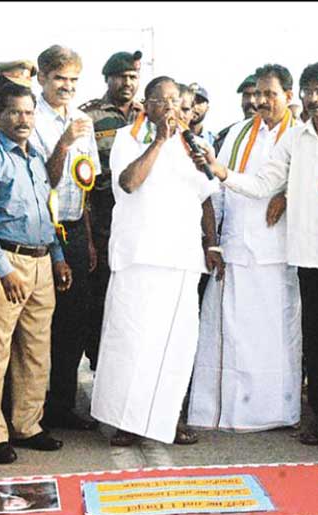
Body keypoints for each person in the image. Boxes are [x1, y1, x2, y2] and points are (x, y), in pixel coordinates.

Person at [195, 62, 318, 447]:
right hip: (308, 260)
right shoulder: (297, 139)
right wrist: (221, 171)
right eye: (309, 91)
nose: (314, 99)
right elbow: (263, 183)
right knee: (317, 343)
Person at [89, 76, 221, 447]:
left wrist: (213, 245)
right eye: (161, 102)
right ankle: (126, 421)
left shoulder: (195, 145)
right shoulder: (127, 139)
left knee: (177, 346)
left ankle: (168, 418)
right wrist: (160, 142)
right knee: (132, 343)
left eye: (176, 102)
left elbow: (207, 197)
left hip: (180, 259)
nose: (170, 109)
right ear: (147, 106)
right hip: (139, 256)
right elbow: (129, 183)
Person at [188, 64, 302, 433]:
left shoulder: (299, 137)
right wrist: (214, 241)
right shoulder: (237, 132)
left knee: (272, 337)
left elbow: (276, 185)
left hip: (275, 254)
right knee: (230, 333)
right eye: (258, 94)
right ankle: (224, 413)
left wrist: (286, 194)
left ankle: (273, 413)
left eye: (270, 94)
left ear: (288, 95)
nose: (262, 101)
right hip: (236, 248)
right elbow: (217, 192)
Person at [0, 82, 71, 464]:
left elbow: (46, 210)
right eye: (14, 112)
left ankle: (28, 424)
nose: (22, 119)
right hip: (6, 264)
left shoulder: (35, 157)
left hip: (42, 262)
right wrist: (3, 268)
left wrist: (57, 256)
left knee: (36, 351)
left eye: (28, 112)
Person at [31, 45, 101, 432]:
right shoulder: (32, 117)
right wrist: (63, 142)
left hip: (74, 228)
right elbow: (43, 181)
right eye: (59, 78)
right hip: (42, 231)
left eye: (73, 80)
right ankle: (32, 408)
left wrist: (88, 239)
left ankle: (62, 403)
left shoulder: (82, 119)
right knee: (41, 323)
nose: (67, 86)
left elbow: (84, 184)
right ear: (42, 77)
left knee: (74, 321)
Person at [79, 50, 144, 371]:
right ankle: (99, 368)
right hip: (103, 224)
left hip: (138, 227)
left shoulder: (145, 115)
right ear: (108, 78)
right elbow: (83, 181)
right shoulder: (89, 116)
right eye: (122, 77)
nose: (128, 83)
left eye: (133, 77)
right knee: (99, 302)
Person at [214, 73, 257, 155]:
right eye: (246, 95)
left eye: (255, 95)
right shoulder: (227, 135)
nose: (251, 100)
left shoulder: (275, 134)